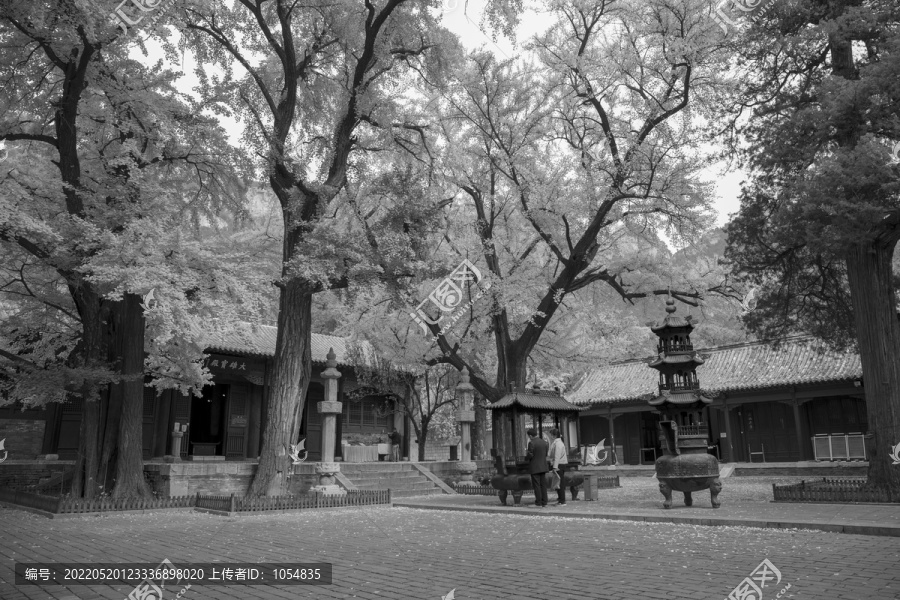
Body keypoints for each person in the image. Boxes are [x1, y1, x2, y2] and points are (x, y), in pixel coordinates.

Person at [525, 428, 549, 508]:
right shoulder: (544, 442)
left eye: (529, 436)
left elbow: (530, 454)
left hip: (535, 467)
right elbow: (545, 454)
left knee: (537, 485)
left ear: (531, 436)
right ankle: (544, 501)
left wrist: (526, 458)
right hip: (543, 466)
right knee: (543, 485)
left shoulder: (531, 443)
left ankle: (538, 502)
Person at [547, 427, 569, 506]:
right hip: (559, 463)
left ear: (554, 435)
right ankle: (560, 499)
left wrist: (555, 467)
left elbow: (557, 456)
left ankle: (562, 500)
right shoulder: (556, 443)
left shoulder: (558, 444)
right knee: (558, 482)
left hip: (559, 464)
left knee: (560, 483)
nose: (551, 436)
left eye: (551, 435)